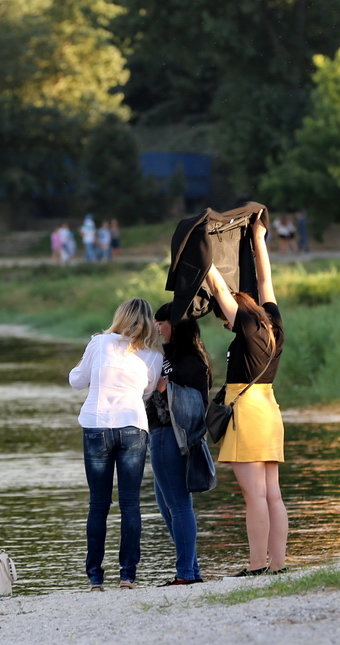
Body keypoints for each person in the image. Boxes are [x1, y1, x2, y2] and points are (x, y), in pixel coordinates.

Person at [204, 220, 288, 577]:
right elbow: (266, 280)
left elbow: (221, 290)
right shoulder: (273, 322)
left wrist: (202, 258)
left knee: (253, 494)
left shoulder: (246, 324)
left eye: (225, 321)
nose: (226, 325)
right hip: (270, 409)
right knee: (272, 494)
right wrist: (258, 240)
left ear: (235, 315)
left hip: (248, 411)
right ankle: (278, 564)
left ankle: (257, 564)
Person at [69, 298, 163, 590]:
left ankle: (95, 578)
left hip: (97, 425)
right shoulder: (153, 354)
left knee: (98, 505)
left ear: (120, 316)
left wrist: (84, 366)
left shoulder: (98, 343)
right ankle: (127, 576)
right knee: (130, 504)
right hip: (133, 426)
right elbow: (147, 393)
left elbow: (76, 381)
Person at [145, 302, 211, 586]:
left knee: (179, 506)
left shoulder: (189, 360)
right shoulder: (181, 356)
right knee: (167, 505)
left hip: (170, 434)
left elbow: (194, 400)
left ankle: (185, 573)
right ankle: (191, 568)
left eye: (162, 322)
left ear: (177, 324)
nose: (158, 327)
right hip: (165, 435)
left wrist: (164, 387)